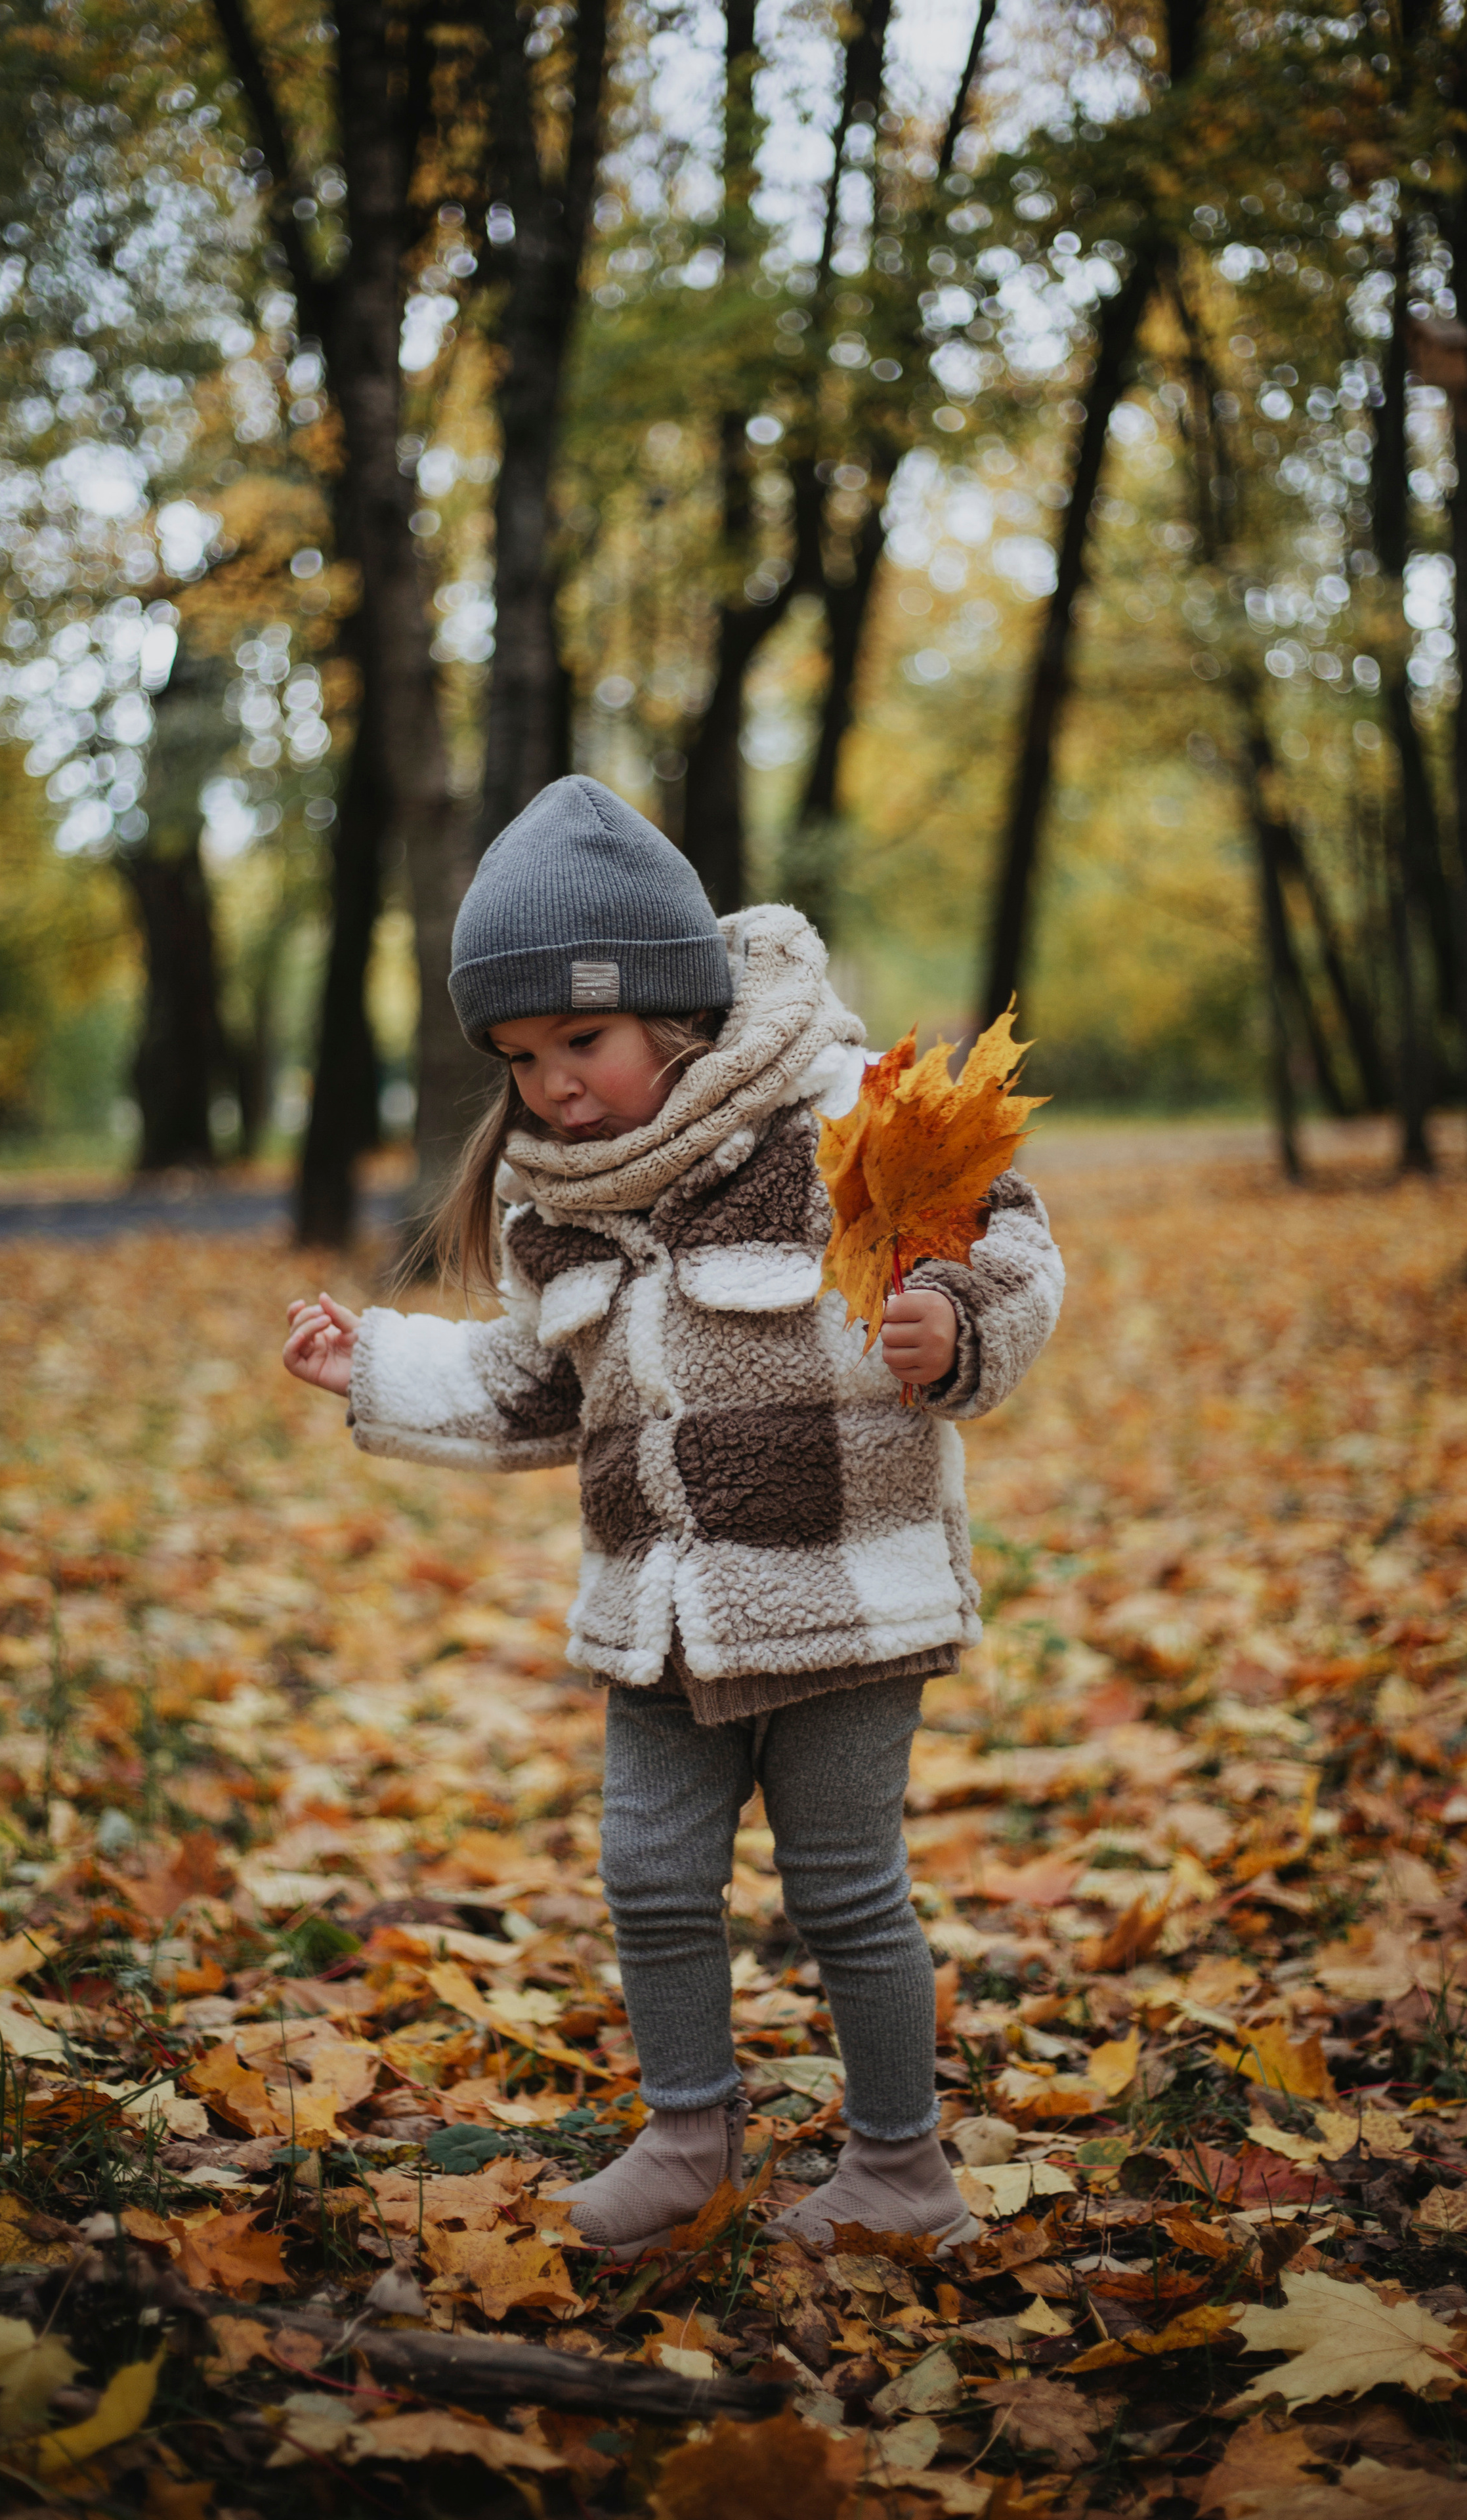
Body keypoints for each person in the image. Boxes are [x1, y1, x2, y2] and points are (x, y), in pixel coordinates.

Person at [283, 774, 1064, 2258]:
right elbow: (536, 1384)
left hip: (842, 1598)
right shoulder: (556, 1203)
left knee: (845, 1892)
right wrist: (373, 1366)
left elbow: (1008, 1249)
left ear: (676, 1007)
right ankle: (689, 2139)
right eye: (521, 1057)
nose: (553, 1086)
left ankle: (900, 2168)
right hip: (657, 1615)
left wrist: (954, 1330)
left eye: (580, 1041)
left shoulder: (845, 1120)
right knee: (648, 1876)